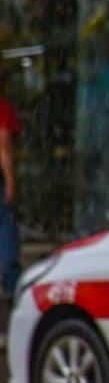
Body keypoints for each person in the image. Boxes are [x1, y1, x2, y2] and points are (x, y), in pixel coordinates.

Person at [0, 72, 21, 298]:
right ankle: (11, 285)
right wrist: (10, 180)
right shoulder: (3, 108)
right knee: (6, 229)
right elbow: (4, 144)